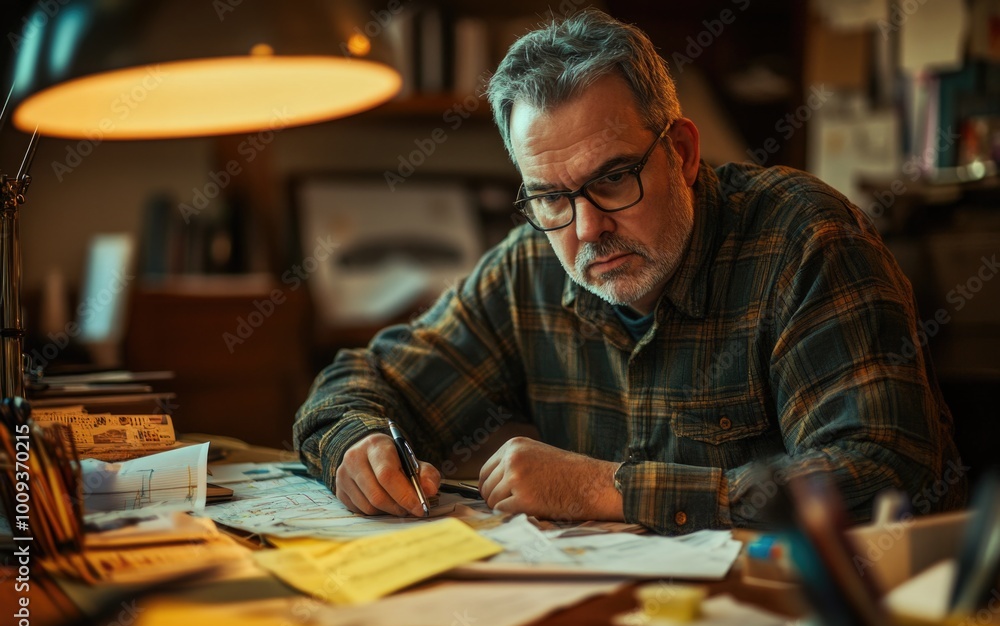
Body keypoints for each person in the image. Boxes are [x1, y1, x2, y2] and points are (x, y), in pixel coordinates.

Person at [294, 9, 966, 534]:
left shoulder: (804, 239)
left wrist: (603, 487)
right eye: (552, 197)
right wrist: (358, 442)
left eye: (613, 178)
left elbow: (883, 475)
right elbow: (359, 384)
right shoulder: (531, 265)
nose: (586, 229)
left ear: (682, 151)